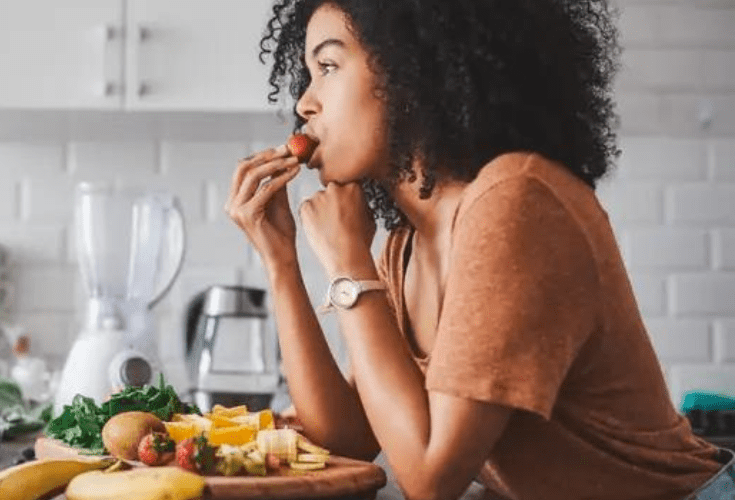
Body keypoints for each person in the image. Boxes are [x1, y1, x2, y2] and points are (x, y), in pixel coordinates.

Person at [224, 1, 733, 499]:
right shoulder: (407, 243)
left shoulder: (516, 201)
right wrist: (282, 262)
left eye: (328, 67)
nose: (304, 103)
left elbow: (430, 478)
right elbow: (350, 438)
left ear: (410, 71)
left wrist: (350, 267)